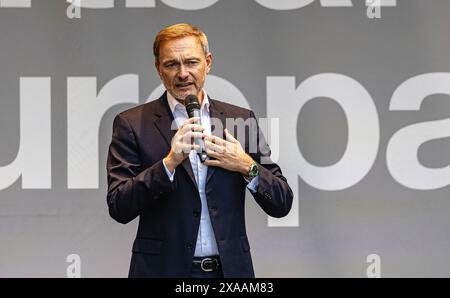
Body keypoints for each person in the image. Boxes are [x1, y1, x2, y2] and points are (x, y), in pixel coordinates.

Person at [106, 23, 293, 278]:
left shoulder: (241, 120)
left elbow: (282, 202)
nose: (183, 73)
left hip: (228, 273)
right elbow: (119, 206)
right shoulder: (132, 124)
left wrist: (245, 165)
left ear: (208, 63)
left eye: (191, 62)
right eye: (172, 64)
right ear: (158, 69)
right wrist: (169, 164)